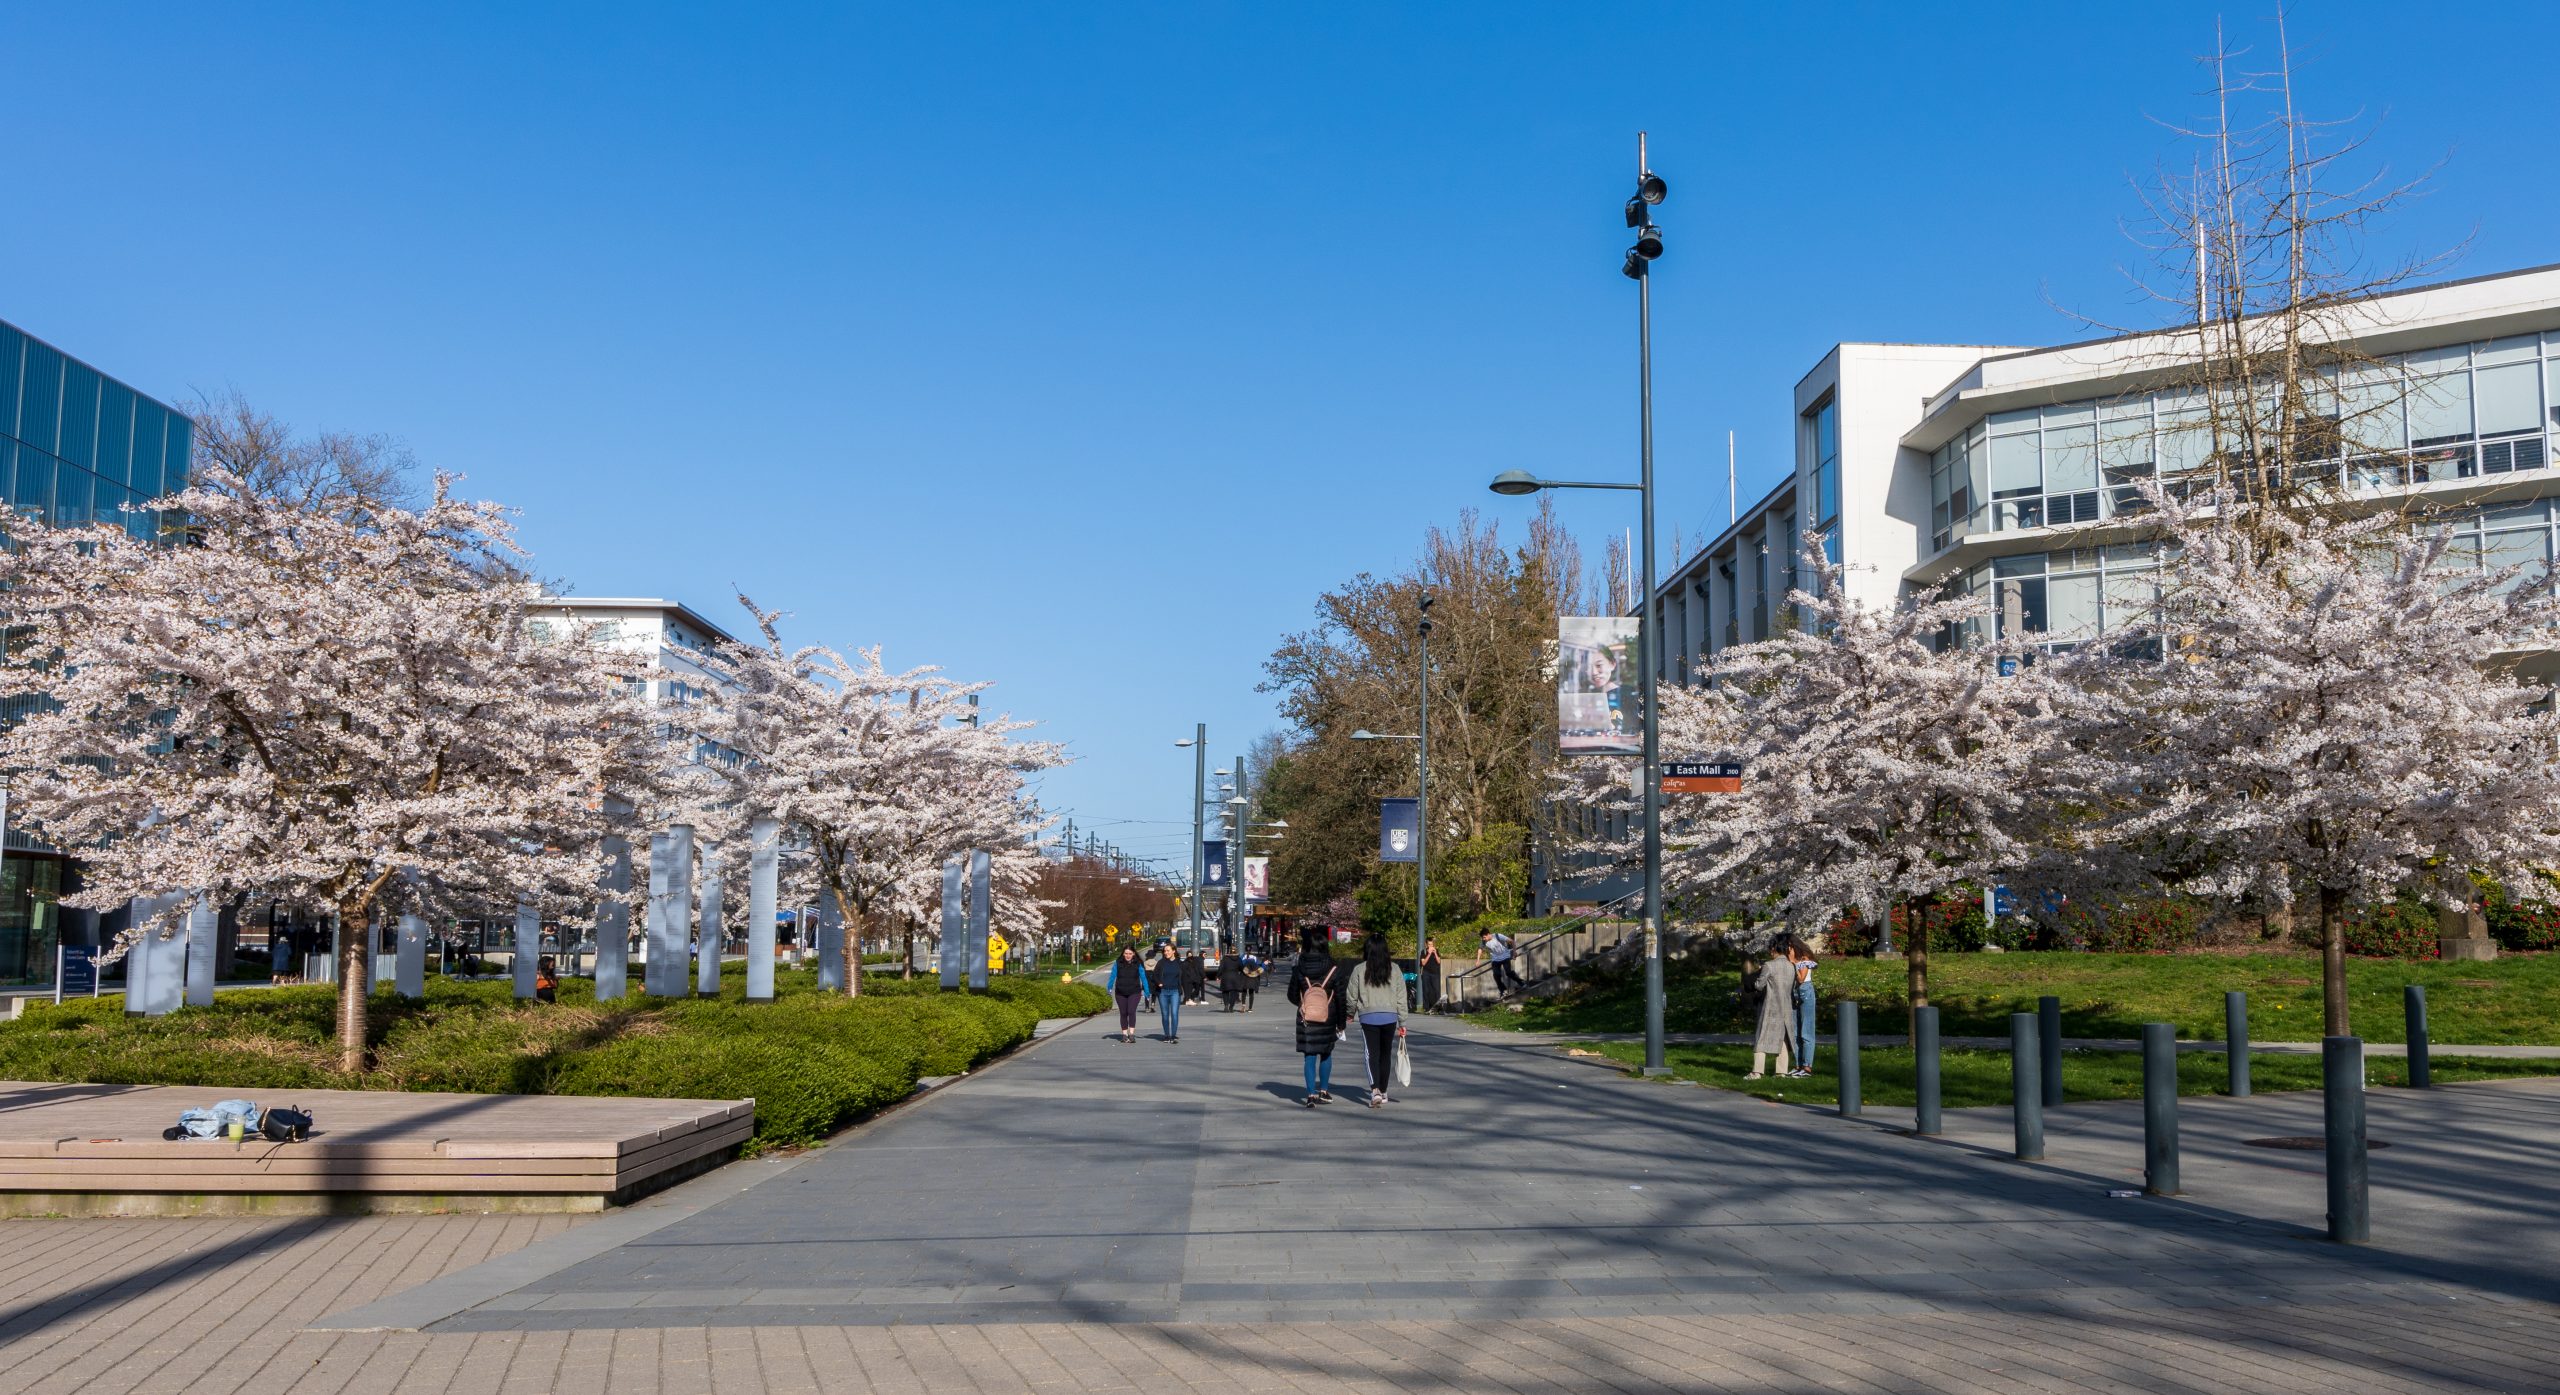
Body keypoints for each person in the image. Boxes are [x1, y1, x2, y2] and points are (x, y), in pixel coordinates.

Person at [1344, 934, 1408, 1109]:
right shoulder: (1394, 969)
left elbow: (1351, 996)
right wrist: (1403, 1022)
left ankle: (1375, 1090)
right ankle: (1384, 1090)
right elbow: (1402, 997)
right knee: (1385, 1054)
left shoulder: (1359, 969)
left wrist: (1350, 1014)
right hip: (1390, 1017)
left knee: (1371, 1053)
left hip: (1368, 1017)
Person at [1286, 928, 1348, 1107]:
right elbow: (1341, 998)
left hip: (1306, 1019)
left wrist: (1304, 1003)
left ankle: (1311, 1094)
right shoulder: (1334, 969)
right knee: (1326, 1054)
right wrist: (1341, 1022)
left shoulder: (1299, 969)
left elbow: (1291, 995)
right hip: (1328, 1017)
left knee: (1309, 1056)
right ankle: (1324, 1091)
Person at [1745, 949, 1795, 1079]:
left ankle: (1757, 1071)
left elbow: (1759, 985)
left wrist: (1758, 975)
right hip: (1786, 1005)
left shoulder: (1769, 965)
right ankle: (1781, 1071)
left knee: (1761, 1035)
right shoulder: (1791, 966)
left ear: (1774, 950)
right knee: (1783, 1038)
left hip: (1771, 1005)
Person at [1785, 935, 1819, 1078]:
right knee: (1796, 1032)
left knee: (1806, 1031)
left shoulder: (1805, 959)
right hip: (1795, 993)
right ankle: (1798, 1065)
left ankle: (1807, 1067)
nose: (1787, 950)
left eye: (1789, 947)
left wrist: (1793, 962)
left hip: (1805, 991)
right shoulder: (1792, 959)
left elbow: (1801, 979)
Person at [1105, 945, 1152, 1043]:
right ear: (1123, 954)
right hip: (1120, 992)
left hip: (1134, 991)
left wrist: (1147, 992)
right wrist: (1109, 987)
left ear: (1134, 954)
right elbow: (1113, 976)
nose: (1128, 956)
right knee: (1123, 1013)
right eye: (1126, 953)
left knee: (1131, 1011)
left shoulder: (1138, 963)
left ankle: (1131, 1034)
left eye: (1130, 954)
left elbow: (1143, 978)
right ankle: (1124, 1034)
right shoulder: (1118, 963)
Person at [1481, 928, 1521, 996]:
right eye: (1483, 938)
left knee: (1508, 973)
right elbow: (1480, 949)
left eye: (1484, 937)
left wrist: (1514, 952)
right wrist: (1478, 960)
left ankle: (1521, 982)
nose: (1484, 939)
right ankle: (1503, 990)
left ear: (1488, 934)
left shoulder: (1497, 936)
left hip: (1505, 956)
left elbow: (1512, 941)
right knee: (1496, 975)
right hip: (1495, 959)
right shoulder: (1484, 941)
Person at [1157, 948, 1186, 1042]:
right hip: (1163, 992)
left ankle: (1173, 1035)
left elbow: (1184, 975)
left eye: (1168, 950)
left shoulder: (1179, 963)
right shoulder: (1161, 963)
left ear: (1174, 951)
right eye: (1165, 951)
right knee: (1165, 1014)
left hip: (1175, 991)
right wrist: (1158, 982)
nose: (1166, 953)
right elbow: (1155, 975)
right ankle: (1166, 1035)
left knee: (1174, 1013)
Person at [1219, 941, 1248, 1012]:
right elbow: (1242, 968)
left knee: (1225, 992)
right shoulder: (1238, 959)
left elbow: (1221, 968)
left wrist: (1218, 976)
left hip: (1226, 976)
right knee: (1234, 993)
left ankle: (1226, 1005)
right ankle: (1231, 1007)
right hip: (1235, 977)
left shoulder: (1225, 958)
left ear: (1229, 951)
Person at [1417, 938, 1442, 1012]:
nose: (1430, 946)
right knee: (1426, 990)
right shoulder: (1423, 952)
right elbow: (1423, 963)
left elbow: (1439, 961)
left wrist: (1435, 953)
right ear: (1426, 944)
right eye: (1429, 944)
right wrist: (1429, 953)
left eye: (1432, 944)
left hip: (1435, 973)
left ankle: (1438, 1008)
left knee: (1437, 990)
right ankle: (1426, 1008)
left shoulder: (1436, 951)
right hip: (1426, 973)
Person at [1139, 942, 1165, 1013]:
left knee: (1147, 993)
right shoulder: (1157, 963)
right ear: (1153, 956)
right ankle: (1153, 1005)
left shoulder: (1144, 963)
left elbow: (1142, 973)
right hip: (1154, 979)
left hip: (1147, 979)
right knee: (1154, 993)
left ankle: (1147, 1007)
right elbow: (1159, 972)